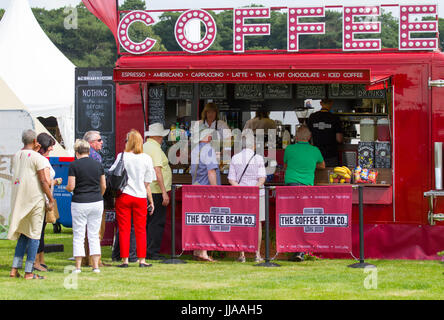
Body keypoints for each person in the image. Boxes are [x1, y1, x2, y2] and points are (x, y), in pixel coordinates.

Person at [8, 129, 55, 280]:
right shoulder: (38, 158)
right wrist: (50, 199)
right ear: (36, 142)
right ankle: (29, 271)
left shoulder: (16, 155)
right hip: (35, 199)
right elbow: (44, 181)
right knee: (34, 235)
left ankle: (14, 269)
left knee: (23, 234)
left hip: (19, 198)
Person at [111, 129, 155, 268]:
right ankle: (142, 260)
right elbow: (148, 182)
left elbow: (113, 172)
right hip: (140, 196)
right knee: (141, 229)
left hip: (124, 195)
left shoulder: (122, 156)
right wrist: (151, 201)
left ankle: (125, 260)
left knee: (124, 228)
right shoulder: (146, 158)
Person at [283, 125, 325, 262]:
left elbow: (285, 166)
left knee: (291, 218)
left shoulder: (289, 149)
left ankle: (293, 248)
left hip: (291, 186)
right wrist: (312, 164)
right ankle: (300, 251)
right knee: (303, 218)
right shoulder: (315, 150)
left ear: (295, 137)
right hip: (307, 187)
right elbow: (322, 166)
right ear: (309, 137)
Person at [66, 139, 106, 273]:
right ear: (89, 151)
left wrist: (66, 188)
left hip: (80, 202)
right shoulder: (98, 164)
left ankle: (77, 266)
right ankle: (95, 266)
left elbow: (71, 186)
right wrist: (98, 195)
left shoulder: (74, 165)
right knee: (94, 234)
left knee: (79, 234)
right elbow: (104, 185)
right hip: (96, 201)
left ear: (76, 152)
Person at [228, 131, 266, 263]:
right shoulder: (259, 158)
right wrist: (253, 189)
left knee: (242, 222)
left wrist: (242, 190)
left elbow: (231, 180)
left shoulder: (235, 158)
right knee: (258, 223)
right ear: (254, 145)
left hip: (241, 195)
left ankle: (242, 254)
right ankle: (257, 254)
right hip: (257, 194)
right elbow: (262, 179)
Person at [190, 127, 221, 262]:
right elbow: (211, 172)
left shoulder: (195, 149)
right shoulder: (208, 149)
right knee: (206, 220)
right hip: (206, 190)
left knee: (198, 220)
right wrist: (215, 191)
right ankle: (203, 252)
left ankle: (197, 250)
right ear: (208, 137)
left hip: (195, 189)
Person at [143, 123, 172, 260]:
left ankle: (146, 250)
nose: (162, 139)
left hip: (149, 189)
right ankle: (151, 252)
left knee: (149, 222)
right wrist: (164, 192)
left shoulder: (145, 146)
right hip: (156, 190)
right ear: (157, 136)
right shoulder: (154, 149)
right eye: (161, 136)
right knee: (156, 222)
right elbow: (157, 170)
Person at [34, 133, 61, 273]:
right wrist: (55, 182)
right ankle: (36, 261)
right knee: (38, 233)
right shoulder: (41, 161)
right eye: (50, 146)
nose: (51, 148)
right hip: (42, 199)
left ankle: (41, 260)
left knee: (42, 232)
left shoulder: (43, 159)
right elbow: (44, 181)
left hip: (44, 198)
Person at [307, 99, 343, 167]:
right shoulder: (335, 118)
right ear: (331, 103)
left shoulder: (312, 117)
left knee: (317, 175)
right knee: (331, 175)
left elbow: (308, 136)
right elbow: (339, 139)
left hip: (316, 154)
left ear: (321, 103)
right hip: (331, 154)